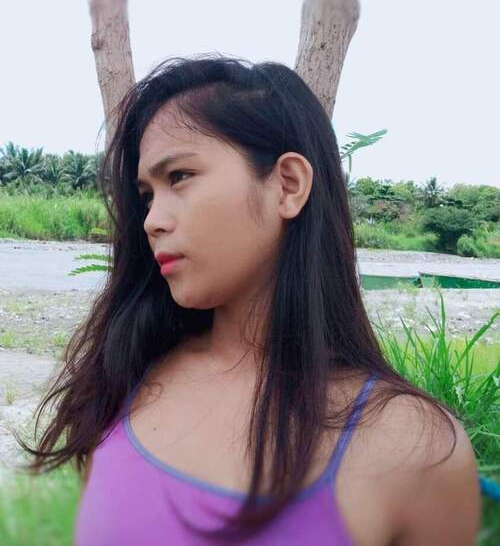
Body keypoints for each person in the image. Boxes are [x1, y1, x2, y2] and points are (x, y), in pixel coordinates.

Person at [18, 55, 480, 544]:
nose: (152, 220)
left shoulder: (416, 449)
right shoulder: (123, 374)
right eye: (147, 195)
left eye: (179, 177)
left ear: (288, 185)